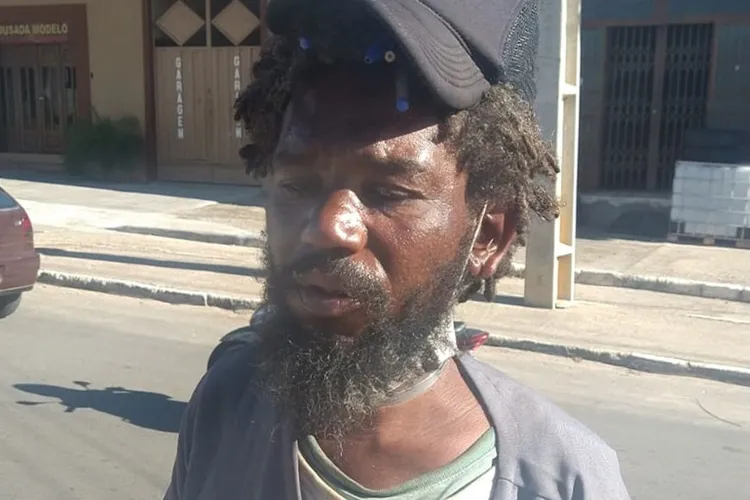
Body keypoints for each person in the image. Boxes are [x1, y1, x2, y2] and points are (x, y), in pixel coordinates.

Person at [164, 0, 631, 498]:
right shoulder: (225, 407)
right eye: (297, 185)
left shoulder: (566, 480)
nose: (328, 228)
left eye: (388, 192)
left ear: (488, 237)